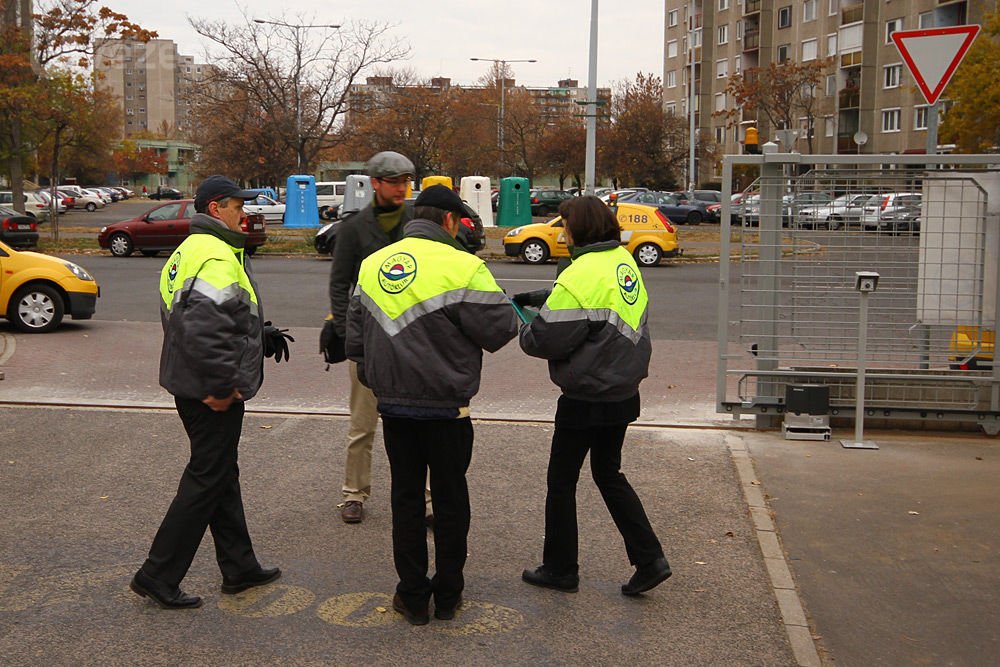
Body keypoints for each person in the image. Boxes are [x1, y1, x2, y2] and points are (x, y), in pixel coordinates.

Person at [345, 185, 519, 625]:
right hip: (448, 409)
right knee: (449, 499)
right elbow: (500, 330)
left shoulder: (374, 264)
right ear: (448, 221)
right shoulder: (465, 266)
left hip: (394, 408)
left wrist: (376, 378)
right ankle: (448, 594)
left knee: (405, 500)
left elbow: (355, 338)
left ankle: (412, 597)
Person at [130, 175, 293, 609]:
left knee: (221, 473)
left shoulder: (188, 251)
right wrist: (223, 386)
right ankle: (158, 573)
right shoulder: (217, 254)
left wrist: (260, 331)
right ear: (216, 208)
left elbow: (196, 318)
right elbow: (204, 329)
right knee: (206, 478)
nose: (246, 212)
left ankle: (239, 567)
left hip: (189, 381)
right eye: (239, 205)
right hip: (210, 389)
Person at [517, 195, 671, 597]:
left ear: (579, 229)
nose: (562, 234)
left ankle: (560, 569)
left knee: (561, 481)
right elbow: (598, 315)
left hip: (586, 395)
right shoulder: (623, 262)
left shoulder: (580, 273)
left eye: (565, 226)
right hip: (623, 390)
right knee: (608, 473)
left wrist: (526, 323)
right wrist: (548, 297)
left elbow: (546, 339)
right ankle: (649, 558)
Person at [327, 151, 431, 525]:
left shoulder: (417, 221)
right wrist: (346, 334)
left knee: (421, 423)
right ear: (375, 184)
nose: (402, 188)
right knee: (362, 424)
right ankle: (354, 494)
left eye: (406, 181)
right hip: (369, 341)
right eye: (395, 182)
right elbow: (340, 285)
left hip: (413, 338)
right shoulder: (354, 229)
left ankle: (427, 500)